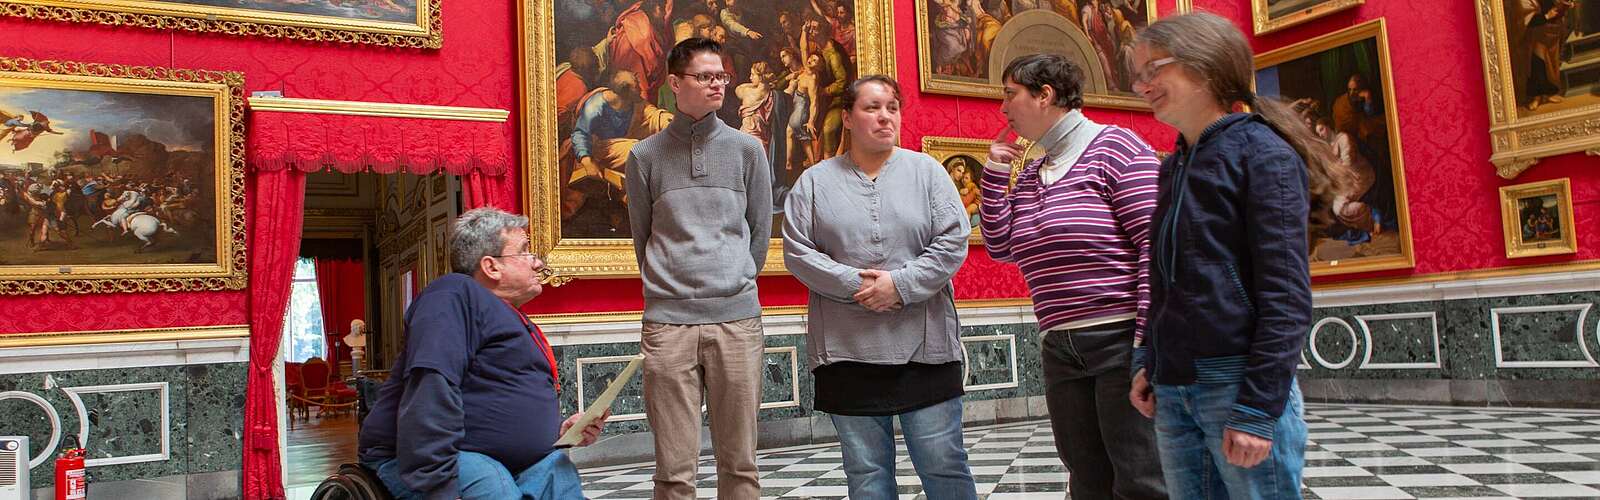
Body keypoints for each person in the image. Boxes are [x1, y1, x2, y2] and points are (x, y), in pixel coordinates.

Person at [1127, 12, 1338, 499]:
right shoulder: (1175, 162)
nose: (1142, 86)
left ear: (1205, 64)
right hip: (1174, 385)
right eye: (1137, 75)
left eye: (1153, 69)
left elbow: (1285, 297)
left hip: (1237, 384)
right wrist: (1148, 359)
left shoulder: (1262, 153)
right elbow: (1164, 279)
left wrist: (1258, 409)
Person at [981, 53, 1167, 500]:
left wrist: (1150, 341)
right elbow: (1002, 246)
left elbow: (1158, 247)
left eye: (1010, 95)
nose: (1002, 109)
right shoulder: (1031, 172)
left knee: (1141, 478)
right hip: (1060, 345)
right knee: (1085, 477)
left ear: (1045, 95)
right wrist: (993, 175)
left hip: (1121, 339)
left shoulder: (1116, 147)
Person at [783, 75, 976, 500]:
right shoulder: (814, 183)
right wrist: (860, 284)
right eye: (872, 107)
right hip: (847, 353)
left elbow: (952, 241)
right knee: (867, 476)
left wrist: (900, 286)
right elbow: (798, 252)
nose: (885, 116)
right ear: (848, 118)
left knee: (944, 466)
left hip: (925, 350)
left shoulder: (927, 173)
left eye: (892, 106)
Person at [358, 207, 612, 500]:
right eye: (525, 251)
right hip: (439, 461)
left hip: (511, 460)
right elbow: (431, 386)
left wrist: (561, 431)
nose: (538, 262)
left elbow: (489, 396)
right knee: (490, 480)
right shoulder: (452, 294)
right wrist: (438, 486)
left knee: (558, 470)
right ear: (491, 267)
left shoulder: (510, 316)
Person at [623, 37, 774, 500]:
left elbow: (759, 233)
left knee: (741, 465)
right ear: (674, 83)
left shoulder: (748, 151)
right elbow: (643, 236)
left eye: (721, 76)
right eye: (705, 76)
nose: (718, 85)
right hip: (668, 325)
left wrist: (731, 279)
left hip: (737, 320)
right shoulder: (644, 157)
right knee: (672, 471)